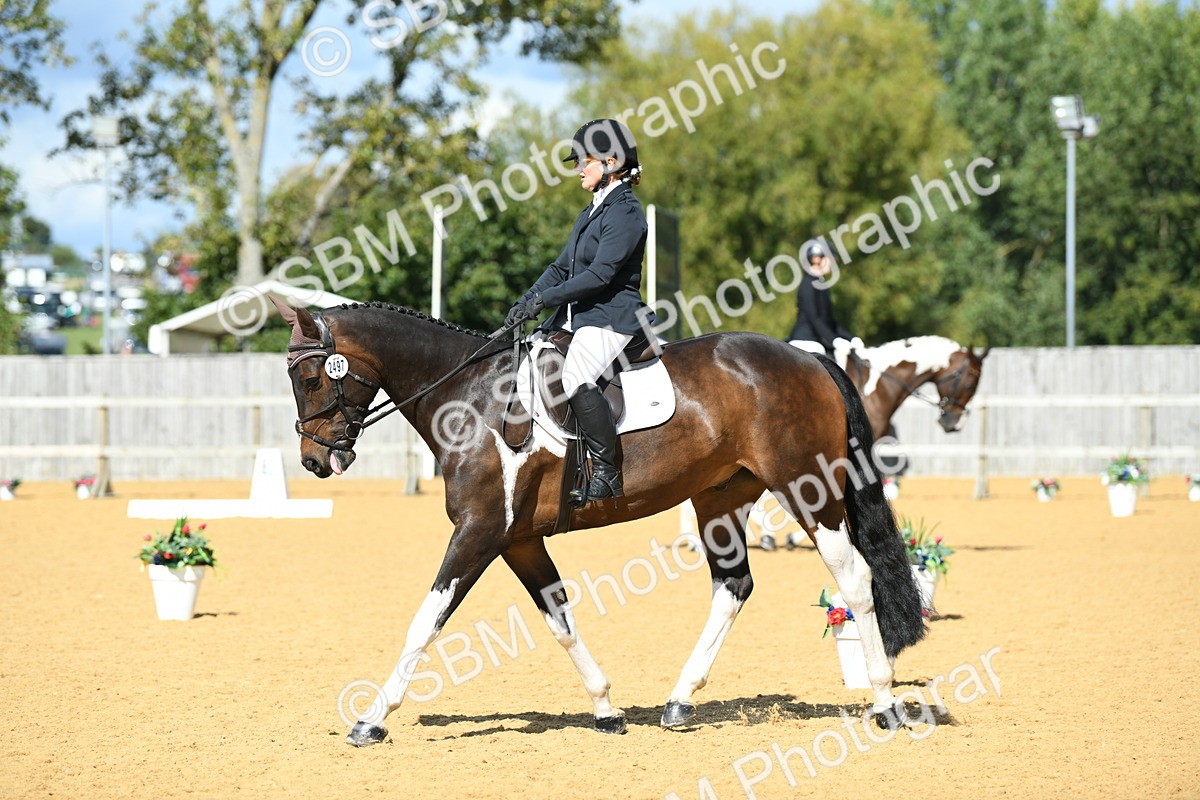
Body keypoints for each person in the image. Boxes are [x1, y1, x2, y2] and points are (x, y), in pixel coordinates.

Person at [506, 119, 653, 507]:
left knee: (574, 377)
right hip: (579, 317)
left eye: (582, 162)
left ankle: (607, 472)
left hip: (611, 316)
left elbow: (600, 275)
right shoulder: (590, 211)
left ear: (609, 162)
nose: (577, 170)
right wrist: (529, 299)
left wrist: (547, 300)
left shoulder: (626, 213)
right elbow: (560, 267)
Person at [787, 242, 861, 357]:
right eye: (830, 258)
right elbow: (814, 318)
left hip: (817, 341)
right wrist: (833, 340)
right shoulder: (808, 284)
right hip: (806, 341)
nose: (833, 263)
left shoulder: (821, 284)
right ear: (816, 259)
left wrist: (851, 338)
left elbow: (830, 322)